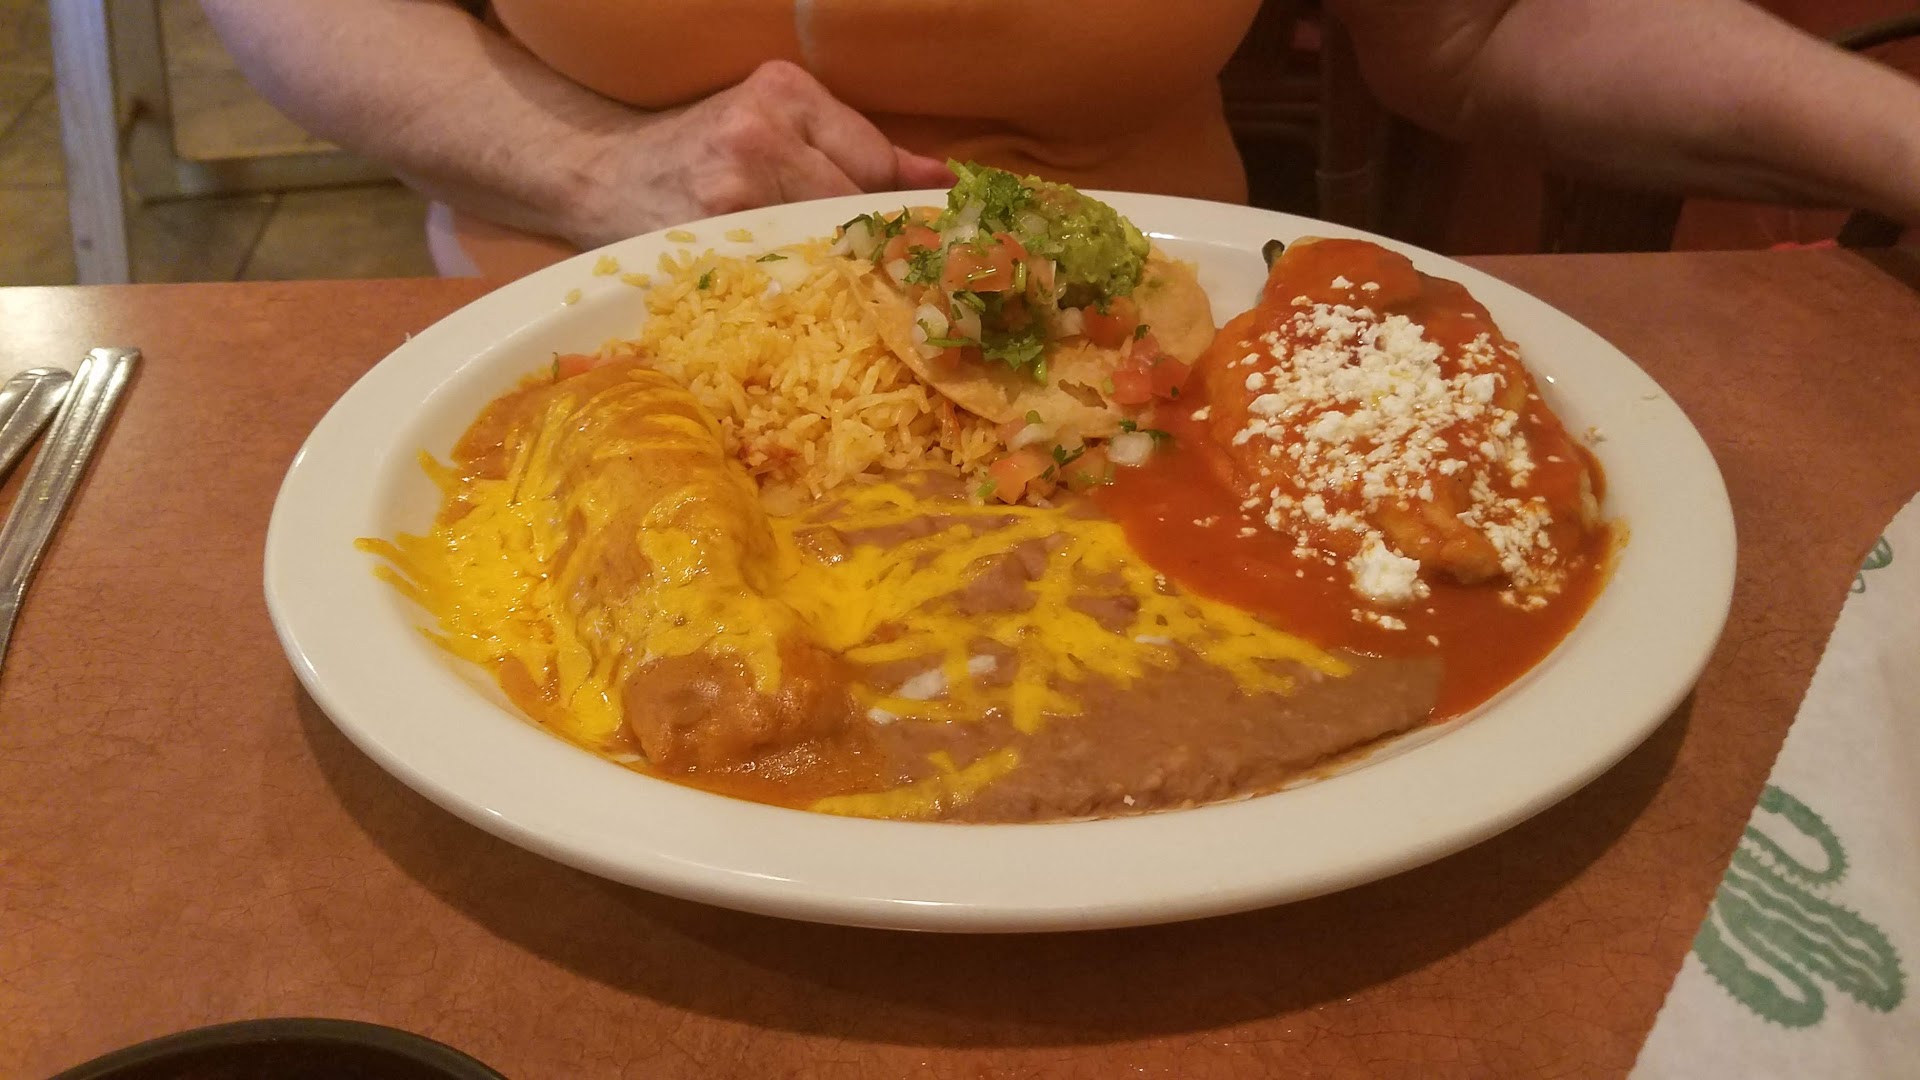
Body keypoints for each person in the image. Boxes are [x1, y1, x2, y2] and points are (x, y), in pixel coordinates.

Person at [199, 0, 1920, 277]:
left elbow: (1480, 29)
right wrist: (589, 164)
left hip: (1161, 390)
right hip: (578, 327)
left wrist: (1895, 133)